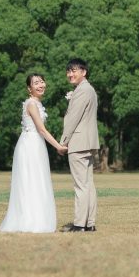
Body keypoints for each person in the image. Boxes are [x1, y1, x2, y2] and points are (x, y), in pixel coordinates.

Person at [0, 74, 67, 233]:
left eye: (42, 81)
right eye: (36, 83)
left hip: (37, 145)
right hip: (30, 145)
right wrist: (58, 146)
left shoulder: (37, 103)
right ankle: (29, 221)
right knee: (29, 181)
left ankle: (38, 218)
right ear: (29, 89)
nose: (41, 85)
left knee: (38, 180)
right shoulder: (31, 104)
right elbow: (41, 129)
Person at [60, 58, 100, 232]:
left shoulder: (82, 90)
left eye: (74, 70)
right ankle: (89, 224)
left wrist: (63, 141)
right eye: (68, 71)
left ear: (84, 72)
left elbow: (72, 118)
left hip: (79, 142)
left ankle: (79, 224)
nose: (70, 74)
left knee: (81, 185)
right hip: (88, 142)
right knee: (88, 184)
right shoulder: (89, 89)